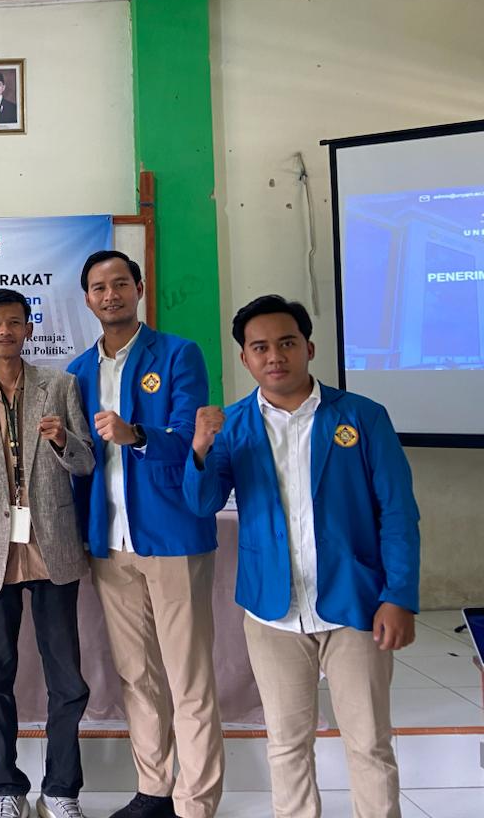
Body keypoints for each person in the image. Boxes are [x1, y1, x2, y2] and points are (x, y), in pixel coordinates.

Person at [184, 295, 419, 818]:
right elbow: (201, 504)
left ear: (309, 348)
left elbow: (399, 513)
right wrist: (199, 449)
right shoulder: (233, 425)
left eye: (287, 343)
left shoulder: (362, 416)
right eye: (260, 347)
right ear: (245, 358)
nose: (275, 356)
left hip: (355, 604)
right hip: (272, 610)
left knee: (369, 742)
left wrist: (398, 595)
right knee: (287, 745)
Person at [66, 251, 224, 818]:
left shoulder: (179, 354)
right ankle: (154, 790)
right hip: (110, 544)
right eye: (98, 287)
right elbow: (79, 462)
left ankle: (195, 801)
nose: (110, 295)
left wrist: (136, 434)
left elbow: (189, 439)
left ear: (138, 287)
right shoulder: (78, 371)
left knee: (189, 676)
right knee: (137, 676)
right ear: (87, 298)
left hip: (172, 537)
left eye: (119, 283)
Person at [0, 290, 96, 818]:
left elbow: (86, 463)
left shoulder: (61, 385)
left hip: (53, 548)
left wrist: (63, 441)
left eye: (14, 322)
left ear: (29, 329)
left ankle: (61, 790)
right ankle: (6, 788)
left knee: (67, 678)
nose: (5, 331)